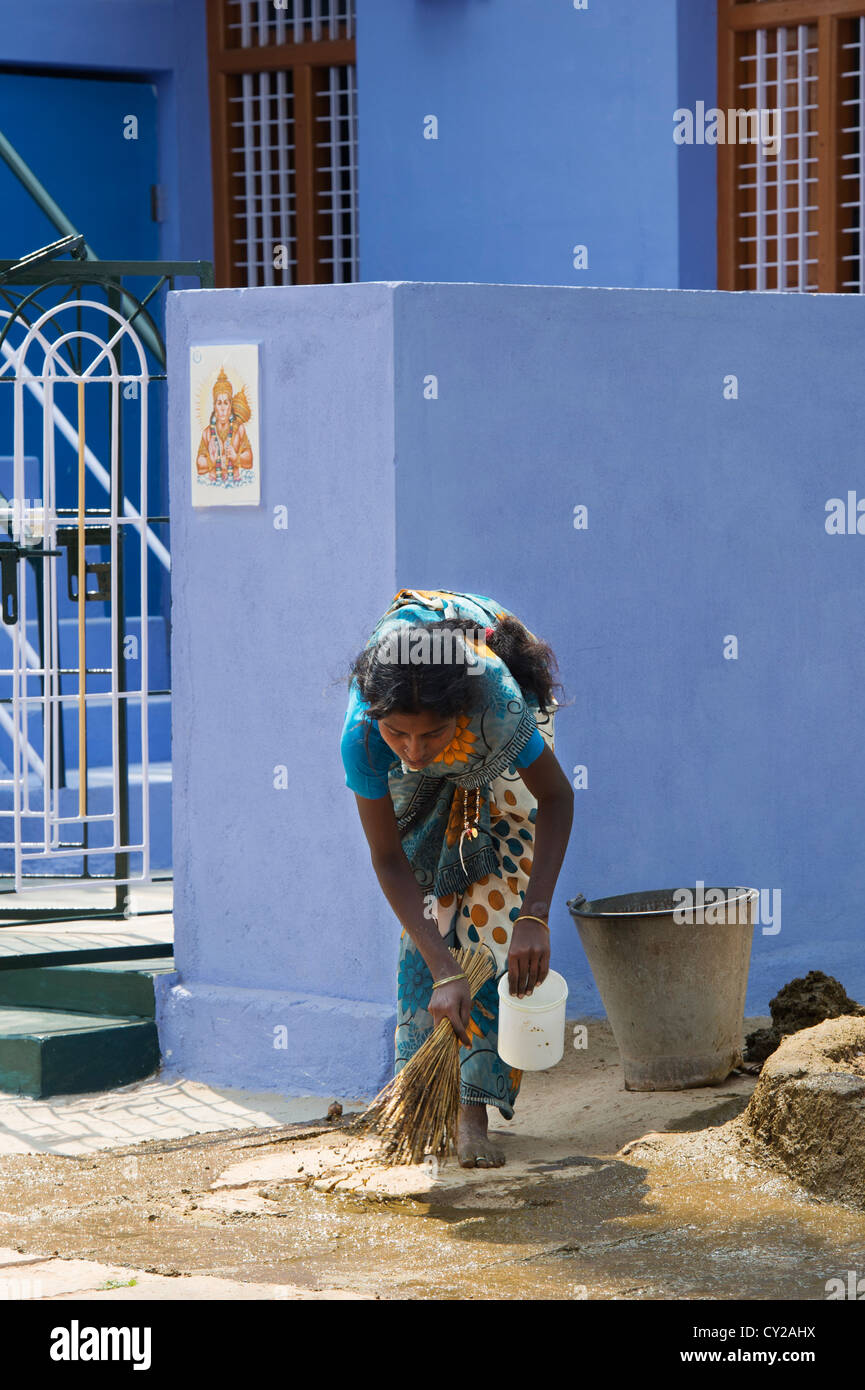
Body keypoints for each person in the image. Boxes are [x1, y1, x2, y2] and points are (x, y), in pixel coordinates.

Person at [341, 589, 574, 1168]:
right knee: (428, 916)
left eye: (430, 735)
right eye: (400, 734)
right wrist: (444, 969)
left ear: (460, 714)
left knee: (495, 924)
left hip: (493, 753)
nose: (414, 751)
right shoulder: (366, 736)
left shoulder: (497, 706)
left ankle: (474, 1112)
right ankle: (432, 1102)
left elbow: (555, 798)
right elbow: (390, 861)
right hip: (433, 744)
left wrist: (536, 915)